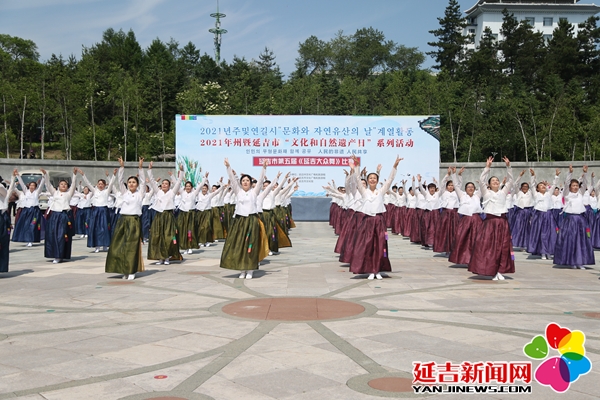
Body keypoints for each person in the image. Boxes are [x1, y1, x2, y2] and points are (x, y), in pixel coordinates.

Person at [349, 155, 402, 279]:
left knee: (380, 246)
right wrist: (357, 165)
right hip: (367, 221)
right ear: (367, 180)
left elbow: (390, 180)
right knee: (367, 246)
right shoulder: (364, 191)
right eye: (370, 178)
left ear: (377, 181)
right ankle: (369, 270)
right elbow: (357, 179)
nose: (372, 180)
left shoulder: (381, 191)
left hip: (379, 221)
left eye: (374, 178)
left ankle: (377, 270)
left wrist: (394, 166)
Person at [220, 158, 273, 279]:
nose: (245, 182)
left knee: (250, 245)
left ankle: (250, 269)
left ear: (250, 182)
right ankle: (242, 269)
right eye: (243, 180)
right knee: (239, 245)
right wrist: (228, 167)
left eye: (247, 180)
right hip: (239, 221)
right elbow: (233, 180)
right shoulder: (238, 192)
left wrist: (264, 168)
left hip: (251, 221)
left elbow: (260, 181)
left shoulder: (254, 192)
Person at [468, 156, 515, 280]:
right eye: (493, 180)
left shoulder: (503, 192)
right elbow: (481, 180)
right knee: (489, 248)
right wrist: (487, 167)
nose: (495, 182)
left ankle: (500, 270)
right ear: (489, 184)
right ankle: (491, 270)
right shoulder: (486, 193)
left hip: (503, 223)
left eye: (497, 180)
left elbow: (511, 181)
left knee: (503, 247)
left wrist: (508, 166)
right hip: (490, 224)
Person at [105, 158, 146, 280]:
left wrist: (140, 167)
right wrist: (121, 167)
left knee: (131, 247)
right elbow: (120, 180)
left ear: (137, 185)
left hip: (134, 222)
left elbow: (144, 182)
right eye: (130, 182)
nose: (131, 184)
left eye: (134, 182)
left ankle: (132, 270)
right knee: (119, 246)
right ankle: (124, 270)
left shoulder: (140, 194)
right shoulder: (124, 192)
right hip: (122, 221)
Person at [554, 165, 595, 269]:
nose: (576, 187)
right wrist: (570, 173)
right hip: (570, 220)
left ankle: (580, 262)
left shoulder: (580, 194)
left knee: (581, 241)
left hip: (581, 220)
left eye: (577, 185)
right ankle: (572, 261)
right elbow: (567, 183)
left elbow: (585, 184)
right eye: (574, 185)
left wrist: (585, 173)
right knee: (571, 241)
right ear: (570, 187)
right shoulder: (567, 194)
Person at [146, 162, 183, 265]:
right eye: (163, 184)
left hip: (168, 217)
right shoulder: (158, 192)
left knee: (168, 237)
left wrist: (182, 171)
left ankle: (167, 257)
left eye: (166, 184)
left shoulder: (172, 192)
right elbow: (152, 181)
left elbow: (179, 182)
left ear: (169, 186)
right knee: (158, 237)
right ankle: (160, 258)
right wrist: (149, 170)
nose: (164, 185)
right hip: (159, 216)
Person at [448, 168, 483, 265]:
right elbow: (456, 186)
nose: (470, 188)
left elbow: (483, 185)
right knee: (463, 239)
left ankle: (476, 258)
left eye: (472, 187)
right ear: (465, 189)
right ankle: (464, 259)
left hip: (477, 221)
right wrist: (454, 174)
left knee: (476, 240)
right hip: (465, 221)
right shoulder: (462, 196)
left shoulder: (477, 196)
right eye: (468, 187)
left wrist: (486, 169)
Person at [43, 168, 78, 263]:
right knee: (52, 235)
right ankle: (54, 254)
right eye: (61, 184)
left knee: (61, 236)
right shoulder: (55, 193)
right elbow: (48, 184)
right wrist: (45, 174)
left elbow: (74, 185)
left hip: (63, 216)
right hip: (54, 216)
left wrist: (74, 175)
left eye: (65, 184)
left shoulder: (68, 194)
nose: (63, 186)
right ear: (58, 186)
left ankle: (60, 255)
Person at [527, 170, 559, 260]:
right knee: (541, 234)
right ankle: (542, 252)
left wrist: (556, 176)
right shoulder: (536, 194)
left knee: (550, 234)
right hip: (539, 216)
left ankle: (548, 252)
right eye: (541, 185)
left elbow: (553, 185)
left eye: (544, 185)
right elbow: (532, 185)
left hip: (548, 215)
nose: (543, 186)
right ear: (538, 189)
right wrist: (533, 176)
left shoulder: (549, 194)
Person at [80, 170, 115, 253]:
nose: (100, 185)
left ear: (104, 185)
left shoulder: (106, 191)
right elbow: (88, 184)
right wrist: (83, 175)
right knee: (95, 228)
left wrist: (113, 175)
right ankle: (97, 246)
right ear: (97, 185)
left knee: (105, 228)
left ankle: (105, 245)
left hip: (104, 211)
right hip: (95, 211)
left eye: (102, 184)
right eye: (99, 184)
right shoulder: (95, 191)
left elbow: (111, 184)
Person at [11, 169, 44, 247]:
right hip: (26, 211)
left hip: (34, 211)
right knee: (26, 225)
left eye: (33, 185)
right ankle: (27, 239)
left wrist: (44, 176)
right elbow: (22, 183)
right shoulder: (26, 191)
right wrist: (17, 175)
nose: (32, 187)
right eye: (31, 185)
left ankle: (31, 240)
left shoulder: (37, 192)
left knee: (33, 225)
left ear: (35, 187)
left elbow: (42, 185)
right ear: (29, 186)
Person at [176, 165, 204, 255]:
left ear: (191, 187)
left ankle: (190, 246)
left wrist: (205, 178)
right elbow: (176, 183)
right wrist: (179, 173)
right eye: (186, 186)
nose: (188, 187)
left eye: (189, 186)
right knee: (183, 230)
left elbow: (200, 186)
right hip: (183, 214)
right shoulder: (182, 193)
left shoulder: (194, 193)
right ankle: (185, 247)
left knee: (190, 230)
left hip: (191, 214)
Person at [433, 168, 460, 255]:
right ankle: (446, 249)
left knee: (454, 231)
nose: (451, 187)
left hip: (454, 214)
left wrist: (454, 174)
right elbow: (442, 184)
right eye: (449, 185)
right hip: (445, 214)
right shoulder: (443, 192)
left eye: (452, 185)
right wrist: (447, 175)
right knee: (445, 231)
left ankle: (454, 248)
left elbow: (458, 184)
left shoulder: (457, 193)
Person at [0, 175, 16, 272]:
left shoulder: (0, 187)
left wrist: (13, 179)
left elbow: (7, 195)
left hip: (1, 216)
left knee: (2, 242)